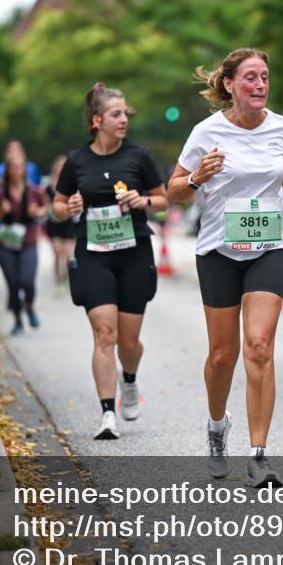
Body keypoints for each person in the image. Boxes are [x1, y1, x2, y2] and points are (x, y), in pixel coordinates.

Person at [167, 48, 283, 487]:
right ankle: (216, 427)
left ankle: (259, 455)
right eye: (250, 77)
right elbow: (172, 191)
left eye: (265, 76)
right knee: (223, 355)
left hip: (269, 246)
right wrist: (196, 178)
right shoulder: (205, 132)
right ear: (229, 85)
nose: (260, 85)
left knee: (260, 347)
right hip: (219, 251)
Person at [51, 83, 168, 441]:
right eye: (117, 114)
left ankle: (128, 380)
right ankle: (107, 414)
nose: (124, 120)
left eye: (126, 114)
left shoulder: (138, 156)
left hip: (134, 253)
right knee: (105, 334)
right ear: (97, 120)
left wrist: (142, 201)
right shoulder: (77, 161)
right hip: (93, 254)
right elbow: (57, 205)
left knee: (128, 344)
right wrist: (67, 208)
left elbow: (162, 199)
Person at [0, 153, 46, 335]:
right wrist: (0, 210)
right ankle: (17, 320)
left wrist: (37, 210)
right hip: (5, 243)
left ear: (24, 169)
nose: (16, 170)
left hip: (28, 241)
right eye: (13, 166)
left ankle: (29, 306)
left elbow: (45, 208)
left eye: (20, 166)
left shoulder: (34, 191)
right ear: (8, 170)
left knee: (27, 281)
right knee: (13, 283)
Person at [44, 155, 77, 281]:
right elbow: (43, 202)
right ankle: (58, 278)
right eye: (59, 166)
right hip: (53, 223)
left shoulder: (72, 184)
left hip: (68, 222)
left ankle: (68, 277)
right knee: (58, 252)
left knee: (69, 254)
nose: (61, 169)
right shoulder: (47, 185)